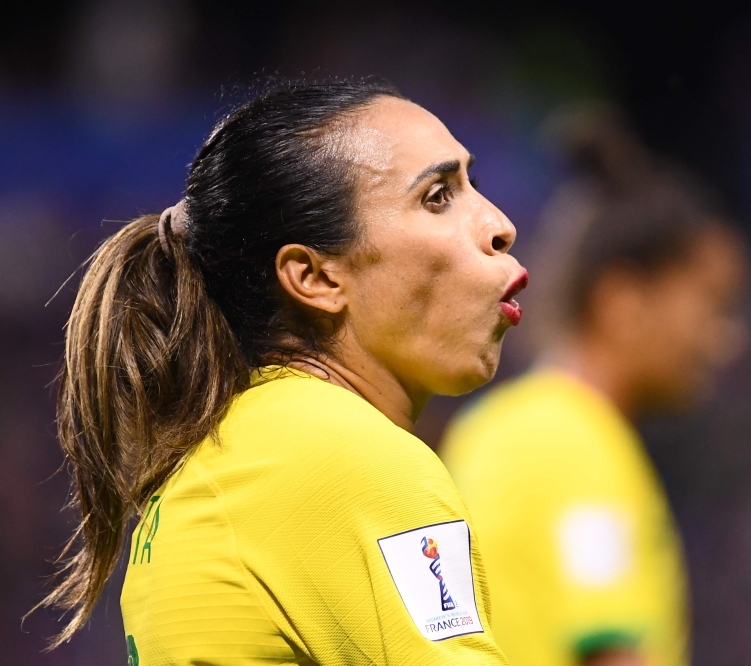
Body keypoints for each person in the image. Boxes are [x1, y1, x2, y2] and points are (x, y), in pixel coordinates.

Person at [39, 79, 529, 665]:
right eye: (437, 196)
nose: (500, 224)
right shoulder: (342, 458)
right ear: (315, 277)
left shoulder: (234, 450)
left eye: (474, 185)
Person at [440, 109, 749, 666]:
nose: (726, 338)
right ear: (623, 302)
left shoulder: (499, 425)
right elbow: (611, 653)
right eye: (711, 305)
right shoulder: (575, 444)